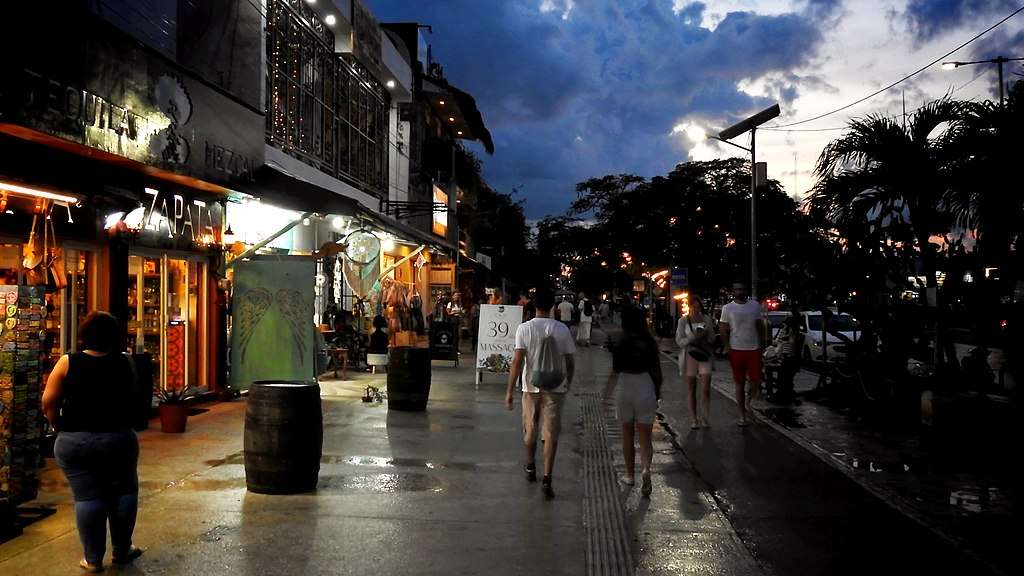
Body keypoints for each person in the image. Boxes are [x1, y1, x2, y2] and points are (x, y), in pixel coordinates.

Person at [41, 312, 143, 573]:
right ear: (115, 337)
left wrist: (57, 424)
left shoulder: (67, 362)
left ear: (83, 335)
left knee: (88, 497)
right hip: (118, 438)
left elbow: (48, 401)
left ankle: (93, 559)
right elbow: (134, 396)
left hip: (76, 441)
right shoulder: (126, 363)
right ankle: (122, 550)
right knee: (124, 492)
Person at [505, 286, 576, 499]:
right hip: (556, 389)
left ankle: (530, 465)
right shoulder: (562, 330)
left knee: (530, 429)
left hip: (530, 387)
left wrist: (509, 390)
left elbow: (517, 361)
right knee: (550, 434)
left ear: (534, 306)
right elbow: (570, 361)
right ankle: (547, 478)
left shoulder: (524, 329)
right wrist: (568, 382)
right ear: (553, 306)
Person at [604, 306, 662, 496]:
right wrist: (657, 392)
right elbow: (657, 372)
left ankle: (630, 475)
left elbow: (614, 372)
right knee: (645, 438)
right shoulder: (650, 343)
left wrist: (606, 394)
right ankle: (646, 470)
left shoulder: (621, 343)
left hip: (626, 388)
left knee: (627, 435)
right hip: (645, 387)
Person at [719, 282, 766, 426]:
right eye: (737, 289)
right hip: (736, 349)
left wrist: (763, 343)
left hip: (754, 348)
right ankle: (741, 415)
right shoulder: (728, 308)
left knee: (756, 380)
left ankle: (749, 401)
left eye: (742, 289)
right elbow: (723, 327)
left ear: (746, 290)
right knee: (739, 382)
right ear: (733, 291)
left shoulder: (754, 306)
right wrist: (726, 345)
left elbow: (760, 326)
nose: (740, 291)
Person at [676, 297, 714, 428]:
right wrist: (693, 337)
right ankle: (694, 419)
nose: (696, 309)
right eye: (694, 307)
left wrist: (706, 334)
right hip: (690, 355)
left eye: (699, 307)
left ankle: (705, 417)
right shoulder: (683, 321)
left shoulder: (707, 319)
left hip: (704, 354)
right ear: (689, 307)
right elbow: (679, 341)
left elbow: (712, 338)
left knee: (706, 388)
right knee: (691, 389)